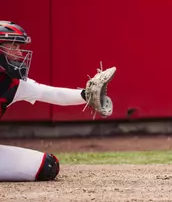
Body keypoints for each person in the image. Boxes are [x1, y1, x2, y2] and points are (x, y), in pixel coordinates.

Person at [0, 21, 116, 182]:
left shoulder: (14, 84)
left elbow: (53, 94)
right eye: (13, 46)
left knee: (48, 166)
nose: (20, 54)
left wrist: (86, 95)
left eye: (19, 47)